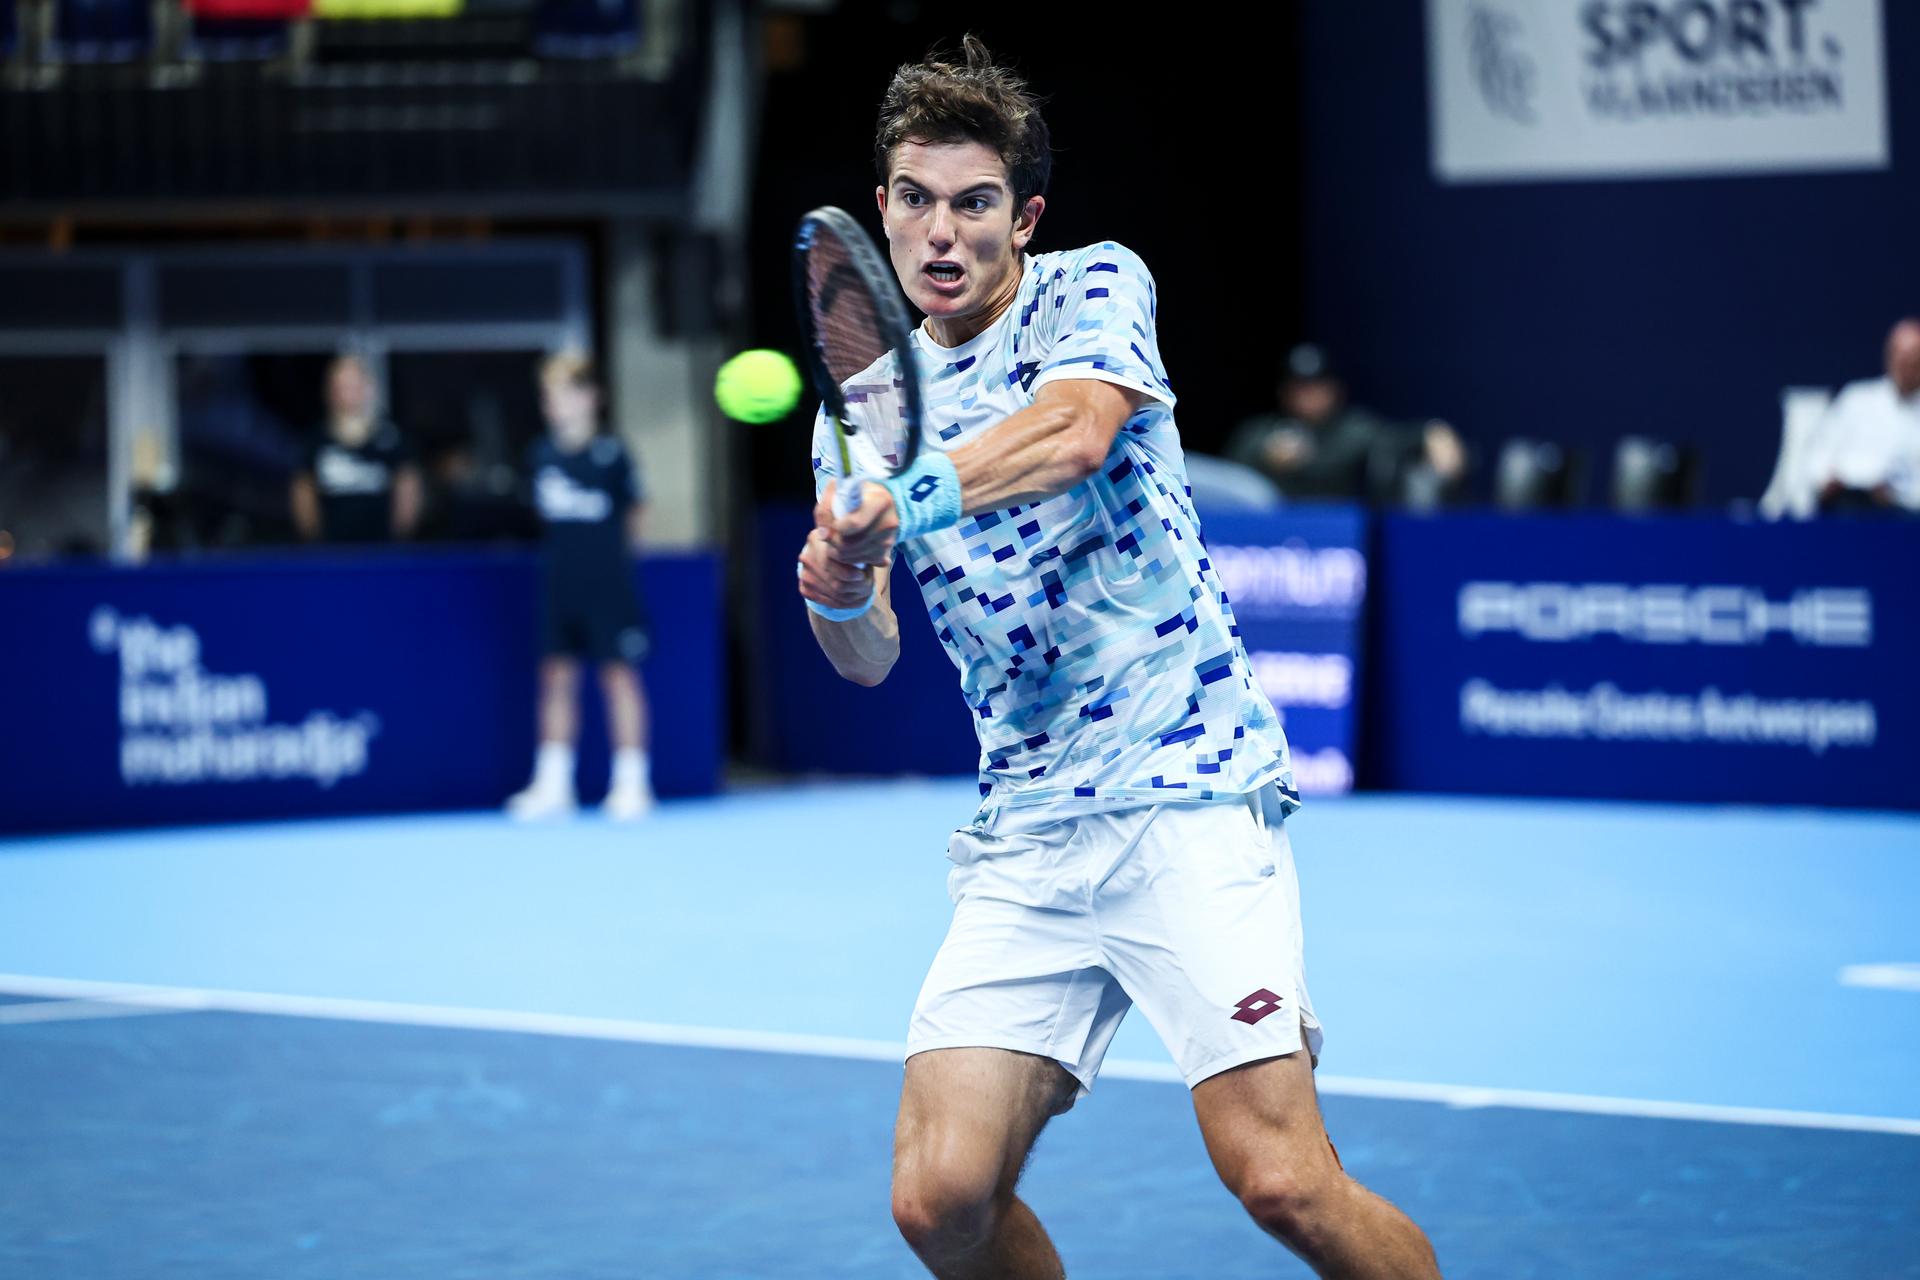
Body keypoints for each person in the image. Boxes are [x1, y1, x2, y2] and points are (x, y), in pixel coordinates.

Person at [795, 38, 1440, 1280]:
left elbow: (1078, 434)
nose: (941, 232)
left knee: (1284, 1178)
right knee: (940, 1196)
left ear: (1024, 215)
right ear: (880, 209)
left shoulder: (1093, 286)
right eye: (916, 200)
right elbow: (868, 655)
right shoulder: (856, 414)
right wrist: (836, 587)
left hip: (1185, 786)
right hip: (1029, 826)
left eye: (975, 202)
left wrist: (907, 500)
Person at [504, 353, 655, 822]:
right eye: (549, 395)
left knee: (619, 678)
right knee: (555, 679)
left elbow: (635, 519)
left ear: (591, 398)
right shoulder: (540, 457)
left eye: (566, 393)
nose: (556, 404)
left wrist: (609, 564)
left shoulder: (613, 455)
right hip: (560, 587)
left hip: (608, 588)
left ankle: (632, 784)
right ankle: (553, 785)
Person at [1226, 343, 1464, 505]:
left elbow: (1397, 440)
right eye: (1299, 387)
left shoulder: (1353, 430)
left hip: (1337, 542)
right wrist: (1265, 456)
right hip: (1266, 542)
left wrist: (1434, 432)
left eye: (1317, 386)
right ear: (1283, 391)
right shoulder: (1260, 431)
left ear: (1334, 389)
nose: (1308, 395)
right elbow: (1229, 476)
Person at [290, 354, 422, 545]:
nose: (347, 394)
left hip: (382, 553)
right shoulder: (315, 442)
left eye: (354, 386)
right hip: (330, 554)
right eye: (340, 387)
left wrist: (397, 542)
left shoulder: (393, 440)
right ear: (329, 390)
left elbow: (407, 493)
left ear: (368, 388)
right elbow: (303, 494)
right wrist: (315, 543)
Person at [1805, 318, 1920, 515]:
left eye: (1912, 359)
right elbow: (1818, 457)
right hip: (1846, 511)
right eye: (1899, 356)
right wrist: (1829, 480)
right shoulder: (1856, 400)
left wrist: (1895, 496)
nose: (1905, 366)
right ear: (1889, 356)